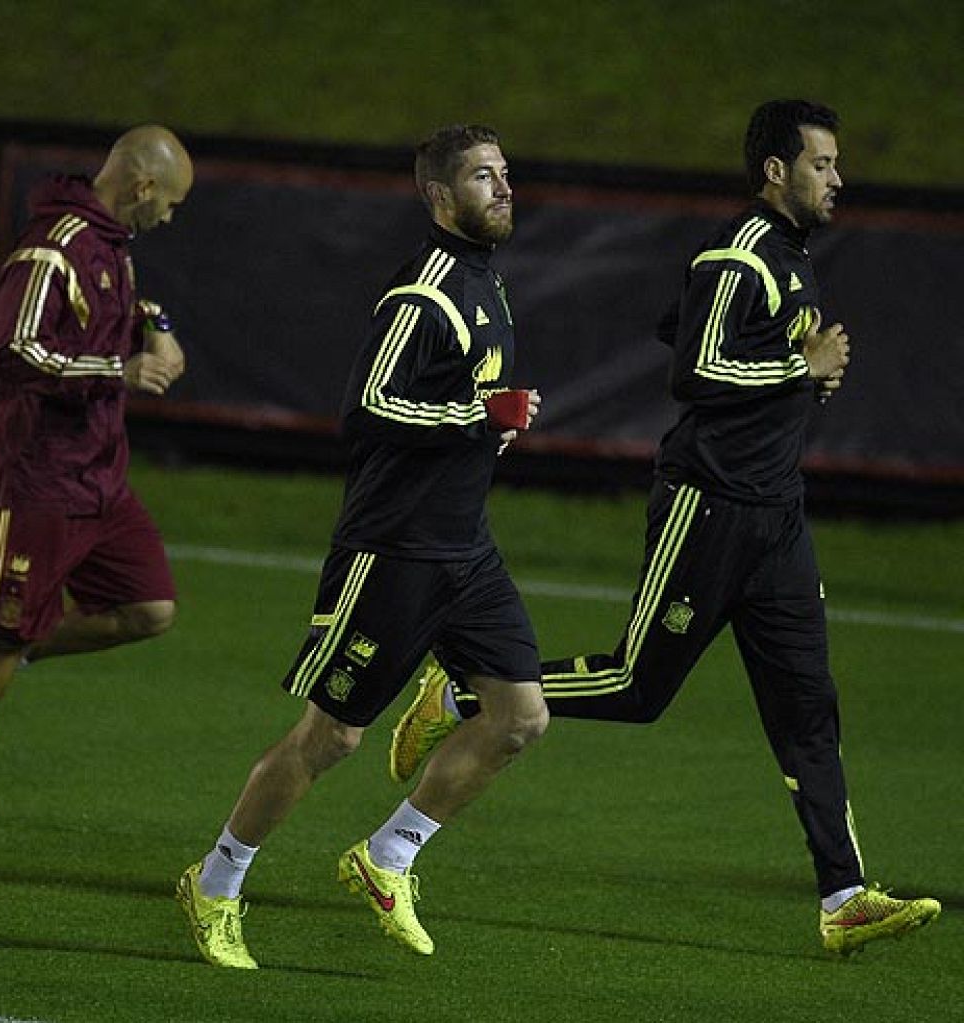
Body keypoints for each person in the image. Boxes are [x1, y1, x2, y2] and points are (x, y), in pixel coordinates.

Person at [388, 100, 940, 957]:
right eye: (822, 163)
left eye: (835, 164)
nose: (838, 178)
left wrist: (800, 383)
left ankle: (843, 894)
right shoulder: (740, 255)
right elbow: (696, 366)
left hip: (777, 517)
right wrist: (799, 367)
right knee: (636, 686)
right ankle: (461, 691)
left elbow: (688, 331)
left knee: (808, 709)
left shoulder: (792, 262)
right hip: (709, 503)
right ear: (775, 171)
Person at [176, 125, 548, 969]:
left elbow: (462, 411)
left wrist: (491, 422)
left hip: (465, 549)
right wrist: (472, 419)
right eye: (484, 177)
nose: (504, 189)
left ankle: (388, 856)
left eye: (505, 174)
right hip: (393, 550)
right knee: (331, 738)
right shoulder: (423, 294)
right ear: (440, 197)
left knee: (521, 716)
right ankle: (217, 879)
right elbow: (366, 407)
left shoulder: (487, 285)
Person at [0, 126, 193, 818]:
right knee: (11, 630)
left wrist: (156, 322)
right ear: (143, 185)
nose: (171, 217)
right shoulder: (50, 250)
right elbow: (14, 355)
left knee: (148, 609)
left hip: (98, 475)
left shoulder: (112, 248)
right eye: (172, 202)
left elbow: (107, 325)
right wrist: (120, 370)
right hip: (37, 477)